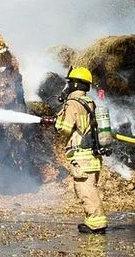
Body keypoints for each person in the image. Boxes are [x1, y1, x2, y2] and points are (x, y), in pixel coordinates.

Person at [40, 67, 108, 233]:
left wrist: (54, 122)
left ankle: (96, 224)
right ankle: (94, 221)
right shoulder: (89, 102)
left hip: (82, 156)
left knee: (85, 190)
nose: (68, 85)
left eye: (70, 82)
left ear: (76, 84)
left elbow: (65, 128)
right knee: (90, 188)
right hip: (92, 156)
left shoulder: (73, 103)